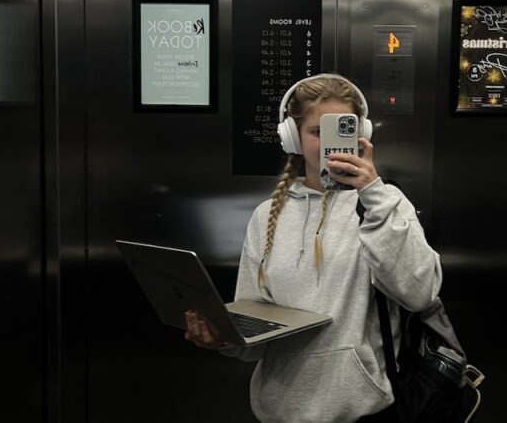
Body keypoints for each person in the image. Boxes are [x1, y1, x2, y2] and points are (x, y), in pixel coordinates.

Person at [184, 73, 442, 423]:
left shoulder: (385, 204)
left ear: (362, 135)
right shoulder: (266, 217)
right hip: (278, 411)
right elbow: (255, 330)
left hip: (364, 412)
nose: (329, 144)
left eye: (343, 130)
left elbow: (420, 293)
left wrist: (374, 194)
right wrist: (223, 339)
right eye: (317, 132)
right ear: (292, 137)